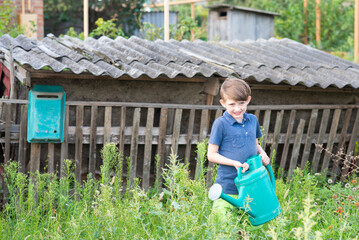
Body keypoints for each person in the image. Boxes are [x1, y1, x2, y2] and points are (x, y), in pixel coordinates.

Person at [207, 77, 270, 220]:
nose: (237, 108)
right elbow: (211, 155)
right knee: (222, 227)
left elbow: (255, 144)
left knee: (247, 227)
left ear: (248, 100)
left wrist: (263, 153)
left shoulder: (252, 120)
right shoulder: (220, 124)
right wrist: (233, 162)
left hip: (251, 186)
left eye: (241, 103)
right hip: (227, 188)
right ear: (223, 103)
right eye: (232, 104)